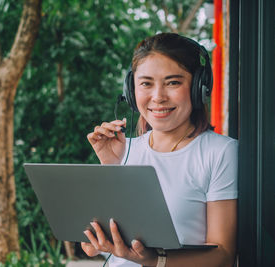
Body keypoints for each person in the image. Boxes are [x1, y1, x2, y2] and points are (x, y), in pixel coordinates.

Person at [82, 33, 238, 267]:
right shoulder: (124, 149)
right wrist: (113, 168)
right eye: (146, 83)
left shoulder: (220, 152)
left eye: (173, 82)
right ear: (131, 90)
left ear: (199, 88)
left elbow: (224, 256)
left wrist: (156, 260)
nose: (158, 97)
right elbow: (113, 244)